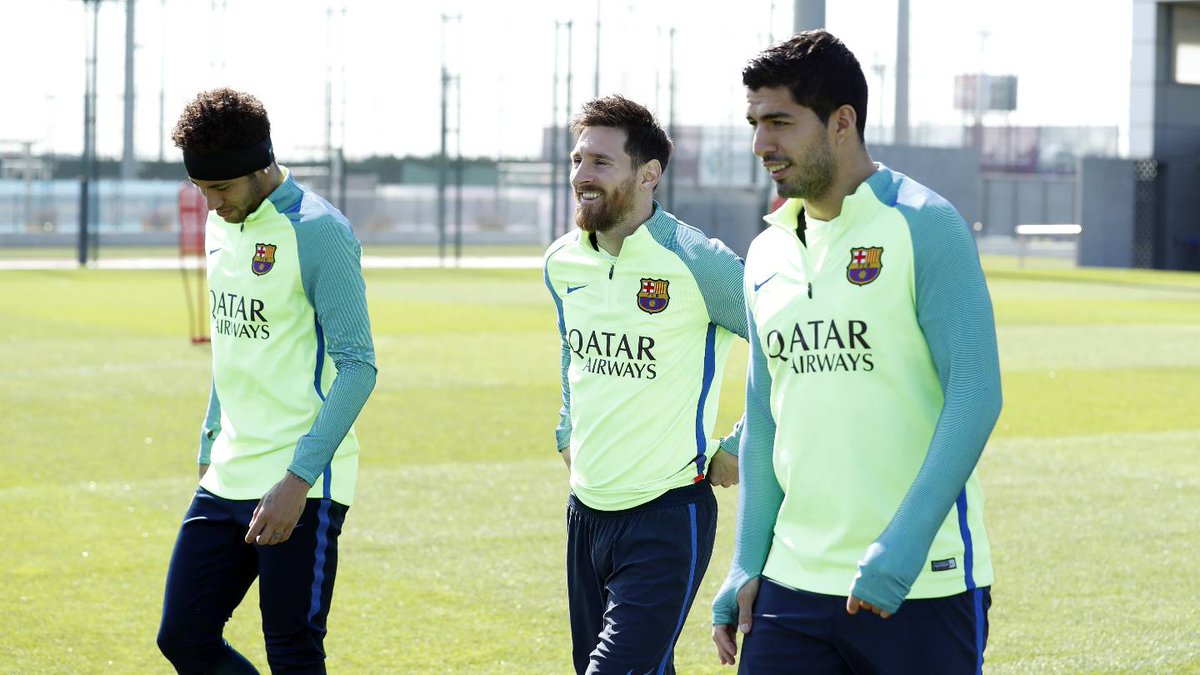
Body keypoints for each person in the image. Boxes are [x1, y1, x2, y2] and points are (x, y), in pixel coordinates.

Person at [711, 31, 1003, 673]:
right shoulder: (765, 252)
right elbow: (763, 416)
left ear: (842, 122)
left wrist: (904, 545)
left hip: (919, 583)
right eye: (755, 124)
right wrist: (745, 563)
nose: (761, 144)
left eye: (780, 122)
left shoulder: (923, 223)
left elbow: (976, 393)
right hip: (790, 586)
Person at [156, 87, 377, 674]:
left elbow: (359, 366)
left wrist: (297, 482)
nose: (212, 203)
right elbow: (231, 349)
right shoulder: (219, 225)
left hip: (301, 481)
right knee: (183, 637)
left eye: (222, 188)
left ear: (261, 166)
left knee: (291, 652)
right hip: (229, 471)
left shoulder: (319, 231)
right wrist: (209, 443)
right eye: (201, 189)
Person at [543, 94, 748, 674]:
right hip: (585, 512)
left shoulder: (699, 262)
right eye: (578, 159)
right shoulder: (562, 261)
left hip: (666, 514)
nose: (582, 175)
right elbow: (572, 350)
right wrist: (566, 428)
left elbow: (786, 350)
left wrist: (742, 442)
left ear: (648, 174)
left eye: (601, 162)